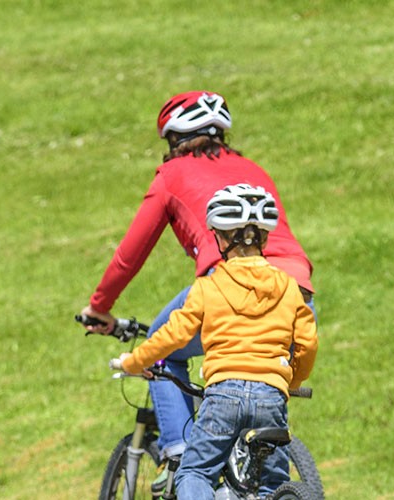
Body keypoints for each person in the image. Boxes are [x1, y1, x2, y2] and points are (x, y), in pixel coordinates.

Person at [80, 91, 317, 482]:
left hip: (228, 286)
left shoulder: (171, 176)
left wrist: (99, 307)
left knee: (163, 345)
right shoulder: (253, 168)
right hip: (297, 292)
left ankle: (179, 455)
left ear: (174, 139)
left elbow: (130, 255)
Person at [111, 185, 319, 499]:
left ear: (220, 238)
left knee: (195, 472)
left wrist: (134, 361)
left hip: (225, 396)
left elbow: (173, 333)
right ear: (264, 238)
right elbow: (307, 342)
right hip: (272, 399)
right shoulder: (289, 287)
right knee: (272, 486)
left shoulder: (208, 288)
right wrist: (294, 379)